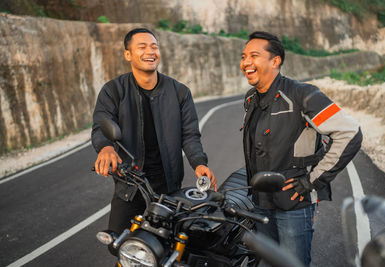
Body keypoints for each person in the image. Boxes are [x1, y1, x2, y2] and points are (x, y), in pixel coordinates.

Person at [240, 31, 362, 266]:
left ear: (275, 61)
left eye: (253, 55)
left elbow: (350, 133)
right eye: (243, 56)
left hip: (294, 205)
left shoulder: (302, 94)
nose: (246, 62)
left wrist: (312, 181)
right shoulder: (249, 99)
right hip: (259, 204)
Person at [91, 28, 216, 255]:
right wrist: (106, 148)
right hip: (130, 185)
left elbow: (190, 134)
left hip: (167, 187)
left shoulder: (179, 92)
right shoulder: (114, 90)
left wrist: (199, 163)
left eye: (154, 46)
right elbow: (101, 124)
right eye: (142, 47)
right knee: (118, 245)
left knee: (171, 248)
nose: (150, 51)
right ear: (128, 54)